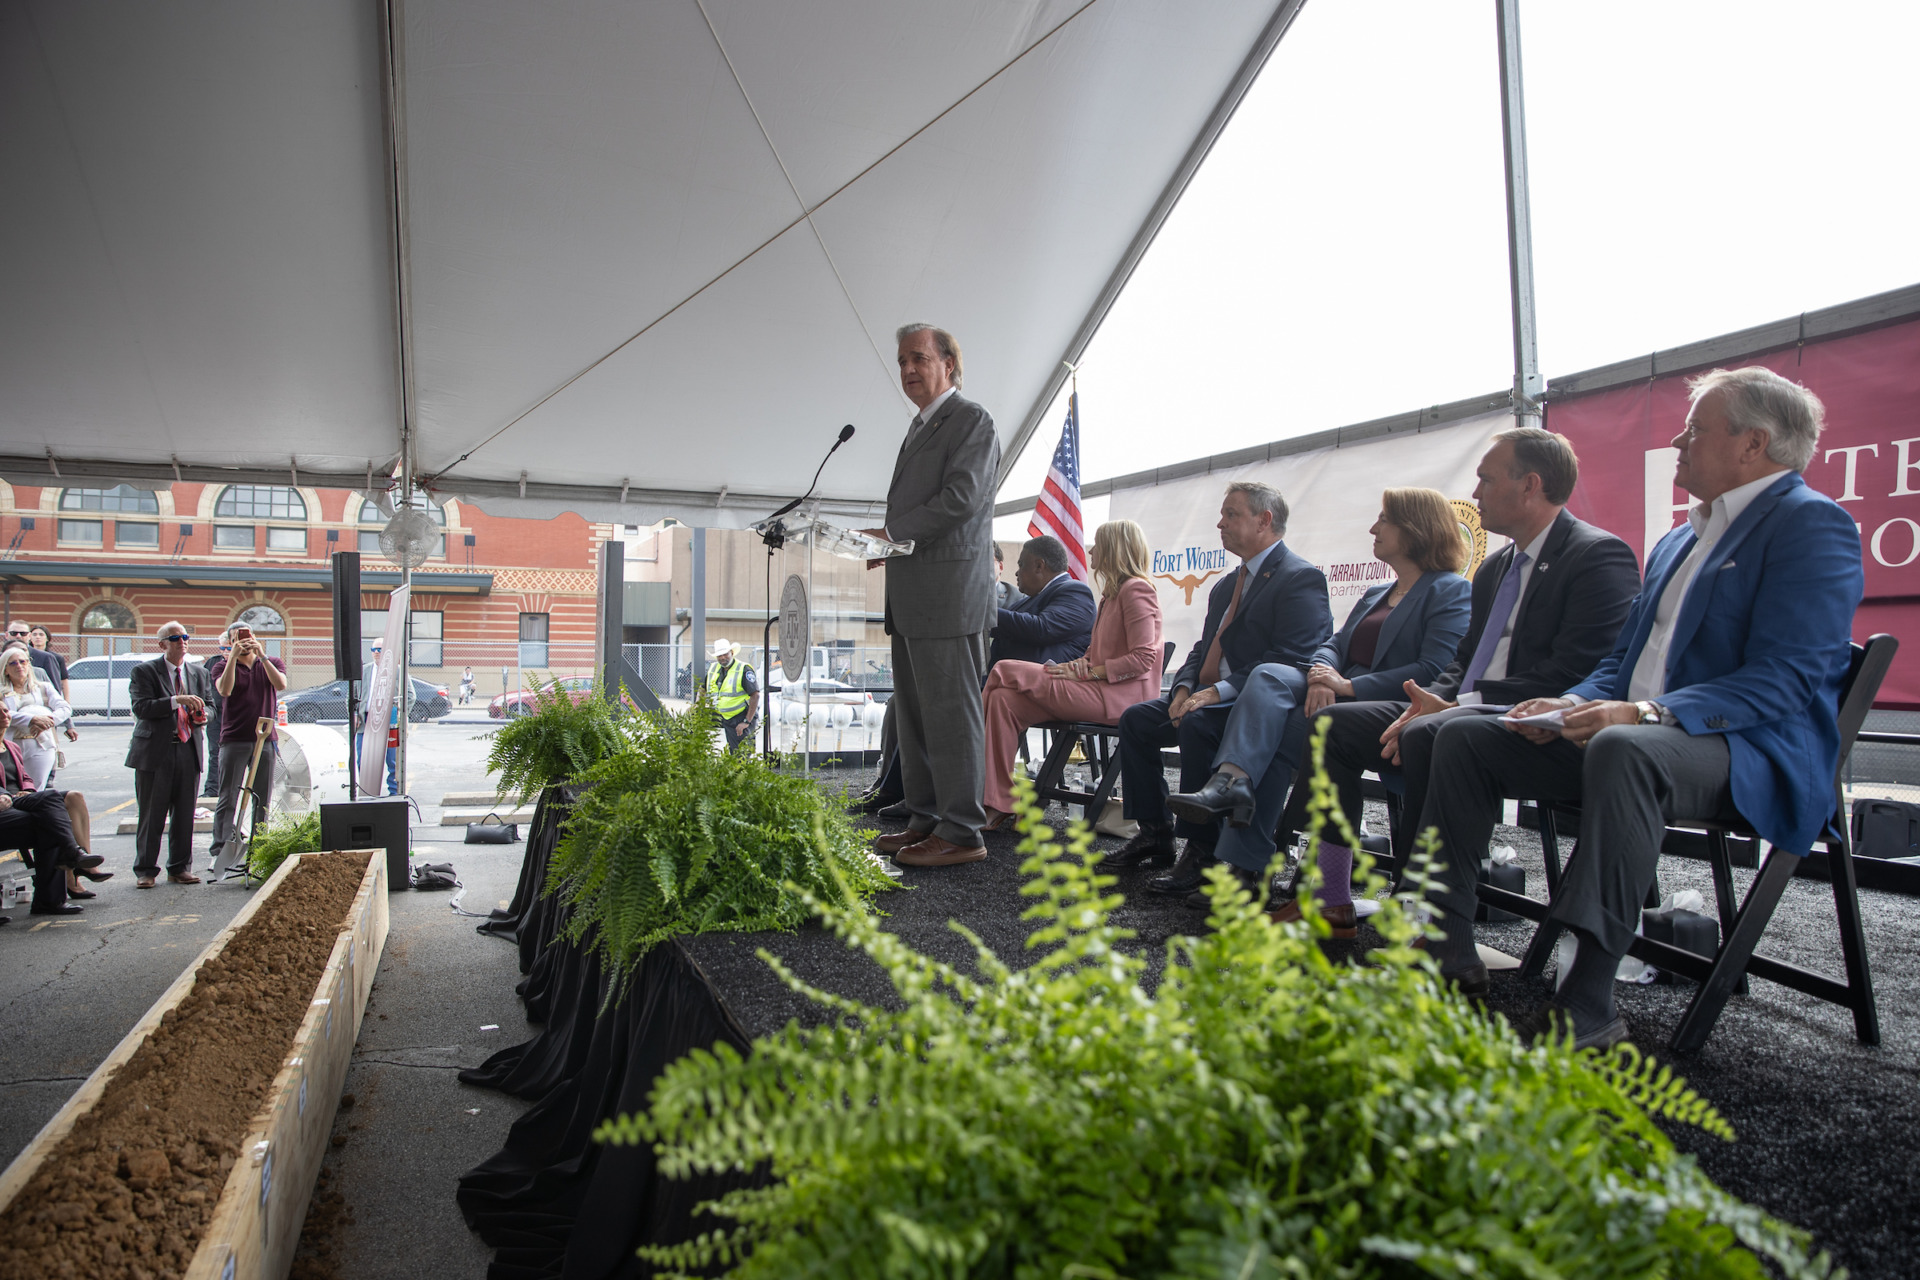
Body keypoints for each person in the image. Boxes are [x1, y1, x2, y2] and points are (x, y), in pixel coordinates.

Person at [1420, 368, 1861, 1046]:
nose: (1680, 442)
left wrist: (1647, 715)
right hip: (1636, 742)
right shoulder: (1680, 540)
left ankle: (1588, 999)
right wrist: (1572, 701)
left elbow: (1787, 678)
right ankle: (1446, 949)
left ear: (1753, 444)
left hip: (1744, 749)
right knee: (1467, 735)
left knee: (1627, 749)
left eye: (1697, 430)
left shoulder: (1811, 525)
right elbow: (1621, 665)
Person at [1276, 429, 1641, 960]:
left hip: (1537, 721)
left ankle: (1427, 911)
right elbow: (1461, 662)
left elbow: (1577, 670)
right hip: (1461, 709)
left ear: (1530, 486)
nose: (1474, 494)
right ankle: (1332, 896)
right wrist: (1432, 698)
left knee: (1434, 732)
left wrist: (1449, 706)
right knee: (1331, 726)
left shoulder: (1596, 555)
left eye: (1486, 480)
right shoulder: (1495, 567)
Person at [1176, 489, 1474, 911]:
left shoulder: (1450, 591)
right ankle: (1233, 789)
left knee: (1277, 735)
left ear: (1416, 529)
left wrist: (1348, 687)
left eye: (1384, 519)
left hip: (1381, 711)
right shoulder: (1375, 593)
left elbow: (1434, 672)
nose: (1374, 527)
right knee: (1268, 676)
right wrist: (1321, 674)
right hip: (1334, 699)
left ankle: (1247, 864)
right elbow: (1333, 644)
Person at [1110, 482, 1333, 896]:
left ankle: (1201, 850)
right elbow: (1202, 648)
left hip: (1253, 705)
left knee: (1197, 723)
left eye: (1231, 513)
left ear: (1264, 521)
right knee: (1138, 720)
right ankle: (1156, 832)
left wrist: (1220, 691)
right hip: (1205, 695)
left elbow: (1293, 658)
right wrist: (1183, 686)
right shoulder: (1227, 584)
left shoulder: (1300, 578)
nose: (1220, 522)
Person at [863, 323, 1000, 868]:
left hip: (948, 595)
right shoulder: (919, 426)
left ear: (948, 362)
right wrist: (884, 546)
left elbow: (962, 497)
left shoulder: (971, 420)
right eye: (901, 362)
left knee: (951, 715)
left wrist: (893, 535)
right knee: (915, 713)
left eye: (918, 358)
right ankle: (924, 817)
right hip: (914, 593)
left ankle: (963, 831)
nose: (908, 370)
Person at [981, 521, 1162, 829]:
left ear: (1115, 549)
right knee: (1002, 700)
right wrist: (1081, 666)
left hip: (1119, 699)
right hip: (1096, 688)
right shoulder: (1110, 594)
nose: (1091, 551)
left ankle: (967, 788)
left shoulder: (1137, 590)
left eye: (1098, 545)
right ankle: (998, 802)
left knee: (1003, 670)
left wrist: (1093, 672)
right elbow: (1096, 653)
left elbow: (1144, 657)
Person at [1, 645, 107, 900]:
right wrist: (29, 718)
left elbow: (64, 707)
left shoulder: (41, 688)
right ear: (5, 668)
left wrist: (45, 717)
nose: (20, 666)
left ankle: (82, 860)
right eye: (13, 663)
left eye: (23, 661)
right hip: (11, 793)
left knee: (73, 797)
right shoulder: (4, 694)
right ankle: (71, 866)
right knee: (48, 805)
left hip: (38, 748)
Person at [125, 621, 216, 888]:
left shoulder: (199, 673)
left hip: (188, 749)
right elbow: (141, 707)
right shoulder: (144, 672)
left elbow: (211, 706)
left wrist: (203, 716)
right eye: (175, 637)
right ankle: (146, 870)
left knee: (185, 813)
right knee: (152, 814)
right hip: (155, 753)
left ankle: (179, 867)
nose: (182, 641)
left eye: (185, 637)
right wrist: (177, 701)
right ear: (162, 644)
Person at [0, 705, 96, 917]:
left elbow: (25, 778)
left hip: (20, 801)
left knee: (53, 806)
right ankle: (71, 856)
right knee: (50, 818)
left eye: (6, 711)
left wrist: (27, 790)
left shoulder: (12, 747)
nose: (5, 716)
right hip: (3, 807)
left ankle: (52, 896)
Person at [208, 623, 287, 876]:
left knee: (262, 797)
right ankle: (220, 849)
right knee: (228, 796)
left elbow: (281, 684)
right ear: (230, 642)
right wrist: (232, 656)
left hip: (264, 739)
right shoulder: (221, 665)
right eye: (235, 639)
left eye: (246, 637)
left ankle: (258, 848)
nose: (242, 642)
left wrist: (262, 655)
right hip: (234, 739)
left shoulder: (270, 661)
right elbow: (225, 689)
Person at [988, 535, 1097, 669]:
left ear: (1039, 566)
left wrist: (985, 612)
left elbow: (1042, 628)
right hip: (1003, 682)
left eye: (1021, 565)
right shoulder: (1024, 602)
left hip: (1046, 686)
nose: (1017, 573)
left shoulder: (1076, 591)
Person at [705, 638, 759, 753]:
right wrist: (696, 705)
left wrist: (746, 721)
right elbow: (702, 688)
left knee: (741, 754)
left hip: (741, 716)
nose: (723, 658)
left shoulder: (743, 669)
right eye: (719, 655)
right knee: (693, 725)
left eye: (725, 654)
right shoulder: (714, 668)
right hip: (723, 716)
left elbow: (755, 695)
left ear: (732, 653)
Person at [201, 632, 232, 798]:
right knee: (215, 753)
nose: (226, 651)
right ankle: (212, 790)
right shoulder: (212, 662)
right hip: (217, 715)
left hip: (235, 716)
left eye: (229, 648)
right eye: (223, 648)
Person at [994, 544, 1025, 611]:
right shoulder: (966, 593)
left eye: (987, 561)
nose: (982, 566)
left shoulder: (1018, 598)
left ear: (1000, 566)